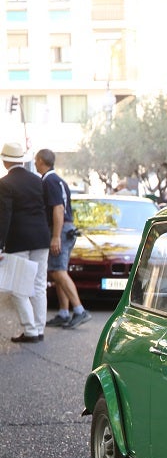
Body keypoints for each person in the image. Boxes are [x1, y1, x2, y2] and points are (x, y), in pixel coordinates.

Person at [0, 142, 50, 343]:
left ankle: (30, 330)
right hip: (41, 237)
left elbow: (5, 215)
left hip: (18, 239)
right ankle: (39, 328)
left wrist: (0, 243)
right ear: (21, 160)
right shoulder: (38, 180)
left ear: (5, 161)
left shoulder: (5, 183)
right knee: (39, 285)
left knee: (18, 286)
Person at [35, 149, 91, 330]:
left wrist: (55, 236)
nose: (35, 163)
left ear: (42, 161)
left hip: (61, 229)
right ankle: (63, 312)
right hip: (67, 228)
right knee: (58, 271)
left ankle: (79, 310)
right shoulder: (57, 179)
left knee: (58, 271)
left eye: (36, 160)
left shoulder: (49, 180)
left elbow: (58, 209)